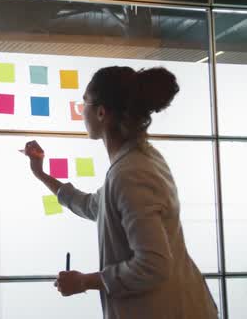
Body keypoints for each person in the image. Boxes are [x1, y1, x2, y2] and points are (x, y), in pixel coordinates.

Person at [24, 66, 218, 318]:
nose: (81, 110)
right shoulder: (138, 161)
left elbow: (153, 265)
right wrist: (41, 174)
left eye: (84, 103)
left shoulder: (130, 173)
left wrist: (86, 281)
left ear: (101, 112)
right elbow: (94, 206)